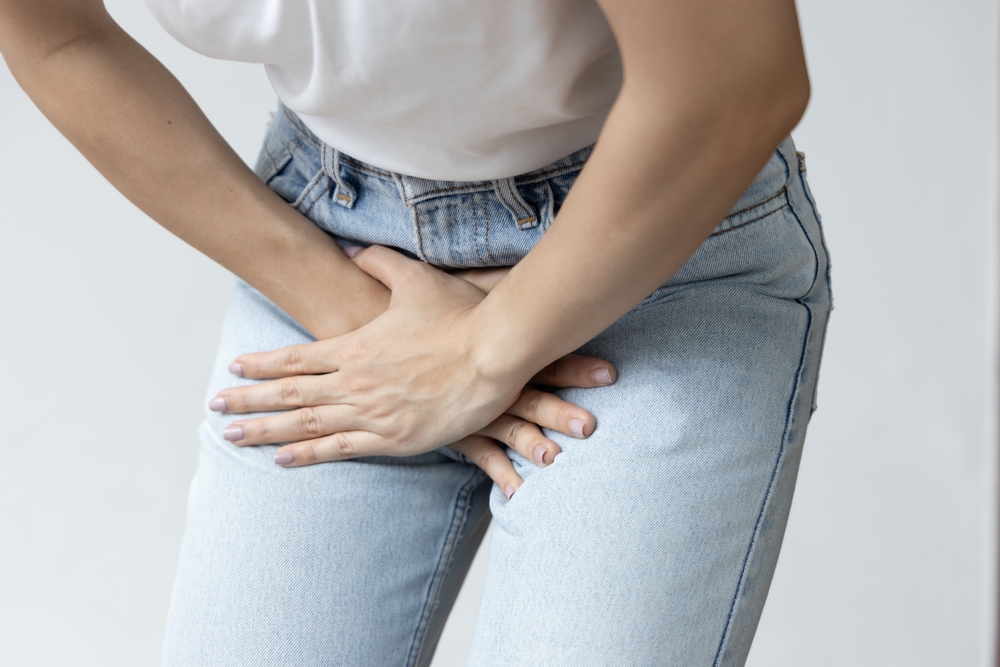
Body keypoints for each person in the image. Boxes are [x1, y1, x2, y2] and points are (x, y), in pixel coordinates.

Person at [0, 0, 831, 664]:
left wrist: (476, 356)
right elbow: (55, 34)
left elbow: (736, 79)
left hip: (647, 247)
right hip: (331, 236)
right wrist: (358, 311)